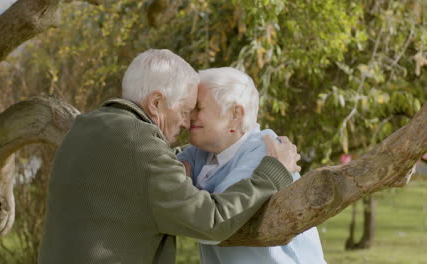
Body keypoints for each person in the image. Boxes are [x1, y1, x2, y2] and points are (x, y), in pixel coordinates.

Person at [38, 49, 301, 264]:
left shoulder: (86, 127)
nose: (187, 123)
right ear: (156, 103)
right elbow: (210, 222)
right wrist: (272, 173)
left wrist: (170, 167)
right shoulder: (143, 149)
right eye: (186, 110)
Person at [178, 67, 326, 264]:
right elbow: (156, 169)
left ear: (235, 115)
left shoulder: (267, 150)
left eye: (199, 107)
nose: (190, 116)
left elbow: (214, 222)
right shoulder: (201, 153)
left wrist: (184, 189)